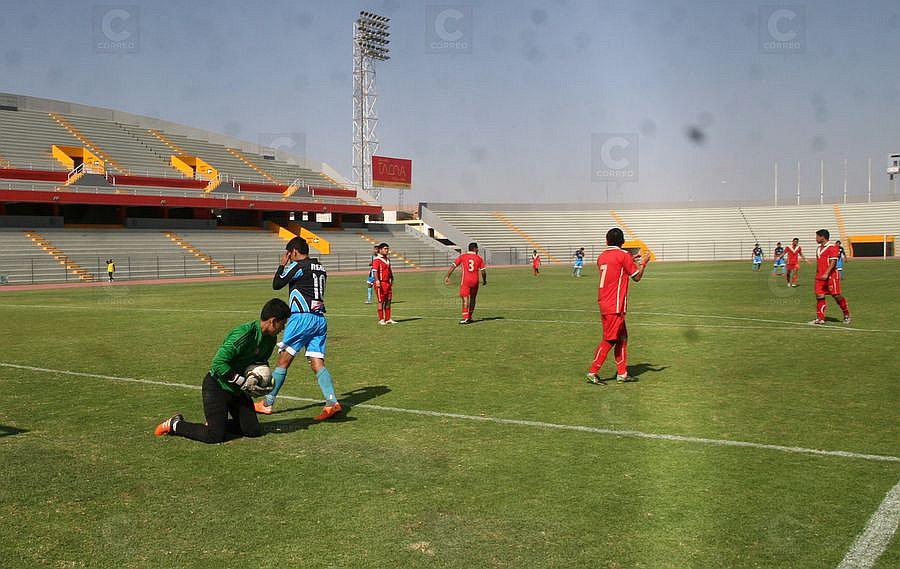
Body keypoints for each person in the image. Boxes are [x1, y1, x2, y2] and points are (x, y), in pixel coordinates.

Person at [153, 298, 290, 443]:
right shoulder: (243, 334)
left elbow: (259, 362)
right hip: (217, 386)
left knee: (253, 431)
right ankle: (175, 424)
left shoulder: (270, 339)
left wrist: (258, 380)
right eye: (283, 323)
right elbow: (217, 363)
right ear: (273, 321)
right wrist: (242, 381)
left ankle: (216, 424)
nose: (283, 328)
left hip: (237, 390)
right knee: (214, 436)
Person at [254, 237, 342, 420]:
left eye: (289, 254)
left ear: (293, 251)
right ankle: (332, 402)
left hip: (302, 317)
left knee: (283, 361)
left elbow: (277, 285)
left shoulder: (299, 266)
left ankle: (267, 403)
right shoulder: (321, 268)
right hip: (319, 319)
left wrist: (282, 265)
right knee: (317, 363)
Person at [586, 228, 650, 385]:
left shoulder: (601, 257)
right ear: (622, 242)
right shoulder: (623, 256)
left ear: (607, 241)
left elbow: (616, 265)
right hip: (615, 304)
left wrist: (631, 258)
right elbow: (637, 277)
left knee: (622, 338)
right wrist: (643, 263)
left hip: (605, 302)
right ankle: (593, 371)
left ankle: (622, 373)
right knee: (610, 339)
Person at [810, 229, 851, 325]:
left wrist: (826, 273)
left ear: (822, 237)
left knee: (836, 296)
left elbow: (833, 263)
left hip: (831, 276)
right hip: (819, 277)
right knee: (819, 295)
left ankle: (846, 314)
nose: (815, 238)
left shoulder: (833, 247)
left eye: (817, 236)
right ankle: (820, 318)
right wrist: (818, 274)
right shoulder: (819, 248)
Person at [444, 242, 488, 324]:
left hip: (466, 280)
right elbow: (483, 271)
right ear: (475, 249)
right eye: (477, 248)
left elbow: (453, 266)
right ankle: (470, 317)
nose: (478, 250)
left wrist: (447, 276)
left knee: (465, 298)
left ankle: (465, 317)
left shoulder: (463, 256)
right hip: (475, 280)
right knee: (473, 299)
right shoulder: (479, 258)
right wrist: (484, 280)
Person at [372, 242, 396, 325]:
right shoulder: (376, 259)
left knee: (388, 300)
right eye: (385, 249)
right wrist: (377, 280)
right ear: (380, 250)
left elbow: (389, 270)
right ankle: (381, 319)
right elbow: (374, 271)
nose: (387, 250)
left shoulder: (387, 260)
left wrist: (392, 278)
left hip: (387, 283)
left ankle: (388, 318)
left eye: (387, 249)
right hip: (380, 283)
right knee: (381, 301)